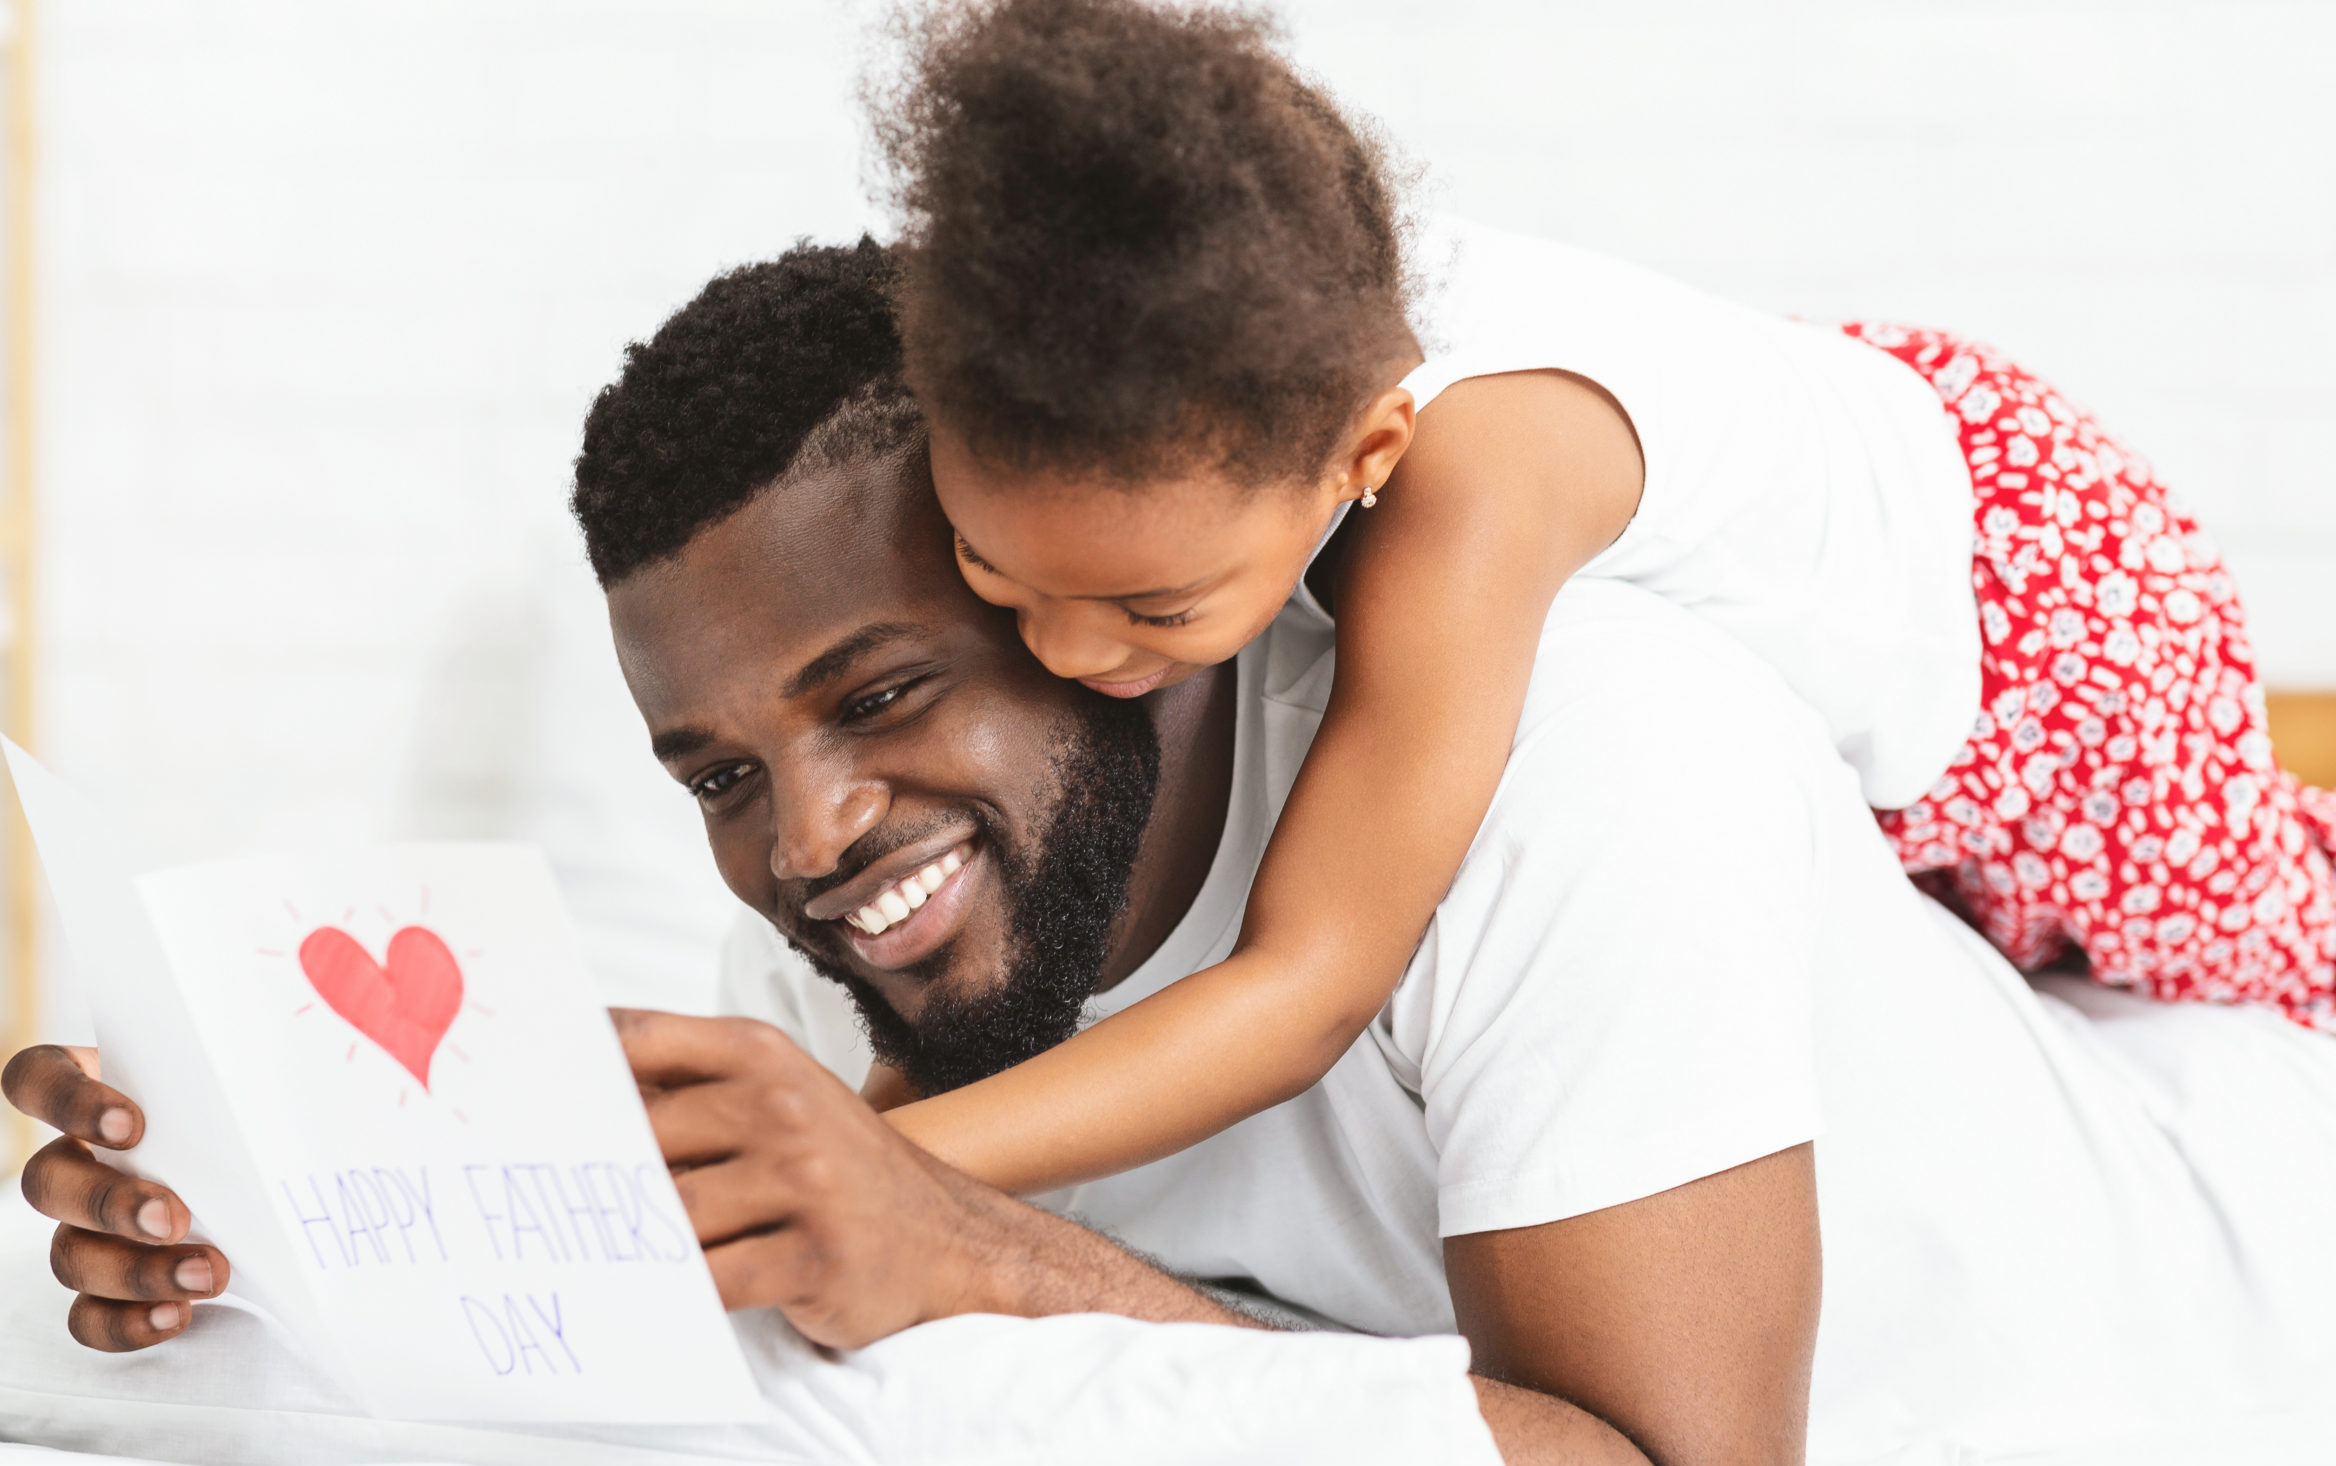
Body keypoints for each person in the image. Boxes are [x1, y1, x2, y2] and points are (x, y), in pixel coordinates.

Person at [3, 241, 2336, 1466]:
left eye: (885, 687)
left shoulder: (1579, 741)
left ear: (1097, 586)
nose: (803, 840)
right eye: (717, 770)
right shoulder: (824, 962)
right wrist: (280, 1250)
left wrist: (970, 1254)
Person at [842, 0, 2336, 1197]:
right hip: (1840, 429)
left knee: (2249, 947)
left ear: (1366, 453)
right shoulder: (1156, 356)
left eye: (1155, 613)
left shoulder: (1475, 472)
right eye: (995, 575)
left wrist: (880, 1167)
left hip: (2045, 607)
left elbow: (1306, 985)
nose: (1064, 650)